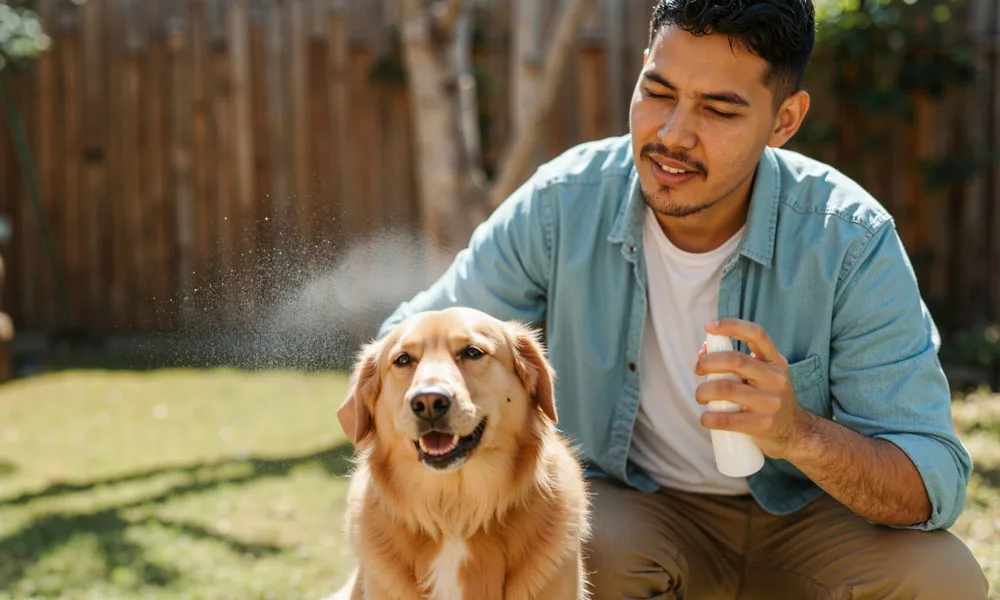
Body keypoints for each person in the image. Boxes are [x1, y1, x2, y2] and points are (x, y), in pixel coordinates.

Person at [338, 0, 988, 597]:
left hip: (806, 517)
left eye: (720, 110)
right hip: (636, 513)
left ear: (783, 120)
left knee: (944, 580)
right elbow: (417, 337)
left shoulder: (848, 239)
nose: (673, 134)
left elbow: (931, 479)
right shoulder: (561, 205)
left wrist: (798, 434)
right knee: (568, 544)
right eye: (658, 92)